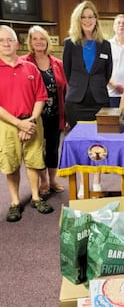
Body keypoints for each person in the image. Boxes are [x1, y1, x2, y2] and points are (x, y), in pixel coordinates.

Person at [0, 25, 54, 222]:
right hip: (6, 124)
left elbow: (41, 97)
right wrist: (18, 124)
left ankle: (36, 197)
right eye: (1, 40)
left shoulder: (30, 67)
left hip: (32, 119)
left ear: (17, 43)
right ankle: (14, 202)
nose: (6, 44)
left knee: (34, 161)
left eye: (10, 40)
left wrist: (29, 122)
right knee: (11, 163)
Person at [63, 0, 112, 197]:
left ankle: (97, 181)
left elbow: (108, 73)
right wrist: (80, 86)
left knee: (98, 142)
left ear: (96, 20)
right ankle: (84, 181)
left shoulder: (105, 45)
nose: (87, 20)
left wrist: (95, 86)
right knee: (81, 142)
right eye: (83, 17)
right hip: (76, 101)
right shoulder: (70, 44)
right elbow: (67, 72)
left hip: (99, 101)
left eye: (91, 16)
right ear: (78, 20)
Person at [21, 25, 67, 196]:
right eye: (35, 39)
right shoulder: (24, 63)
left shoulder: (58, 63)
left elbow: (64, 90)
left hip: (56, 113)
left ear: (47, 41)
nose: (39, 42)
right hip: (36, 116)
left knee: (54, 148)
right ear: (30, 43)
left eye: (42, 38)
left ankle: (53, 179)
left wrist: (66, 116)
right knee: (39, 149)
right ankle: (43, 181)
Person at [107, 13, 124, 108]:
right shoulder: (106, 45)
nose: (121, 25)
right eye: (118, 23)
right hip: (111, 93)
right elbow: (102, 69)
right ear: (114, 27)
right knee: (113, 122)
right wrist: (113, 84)